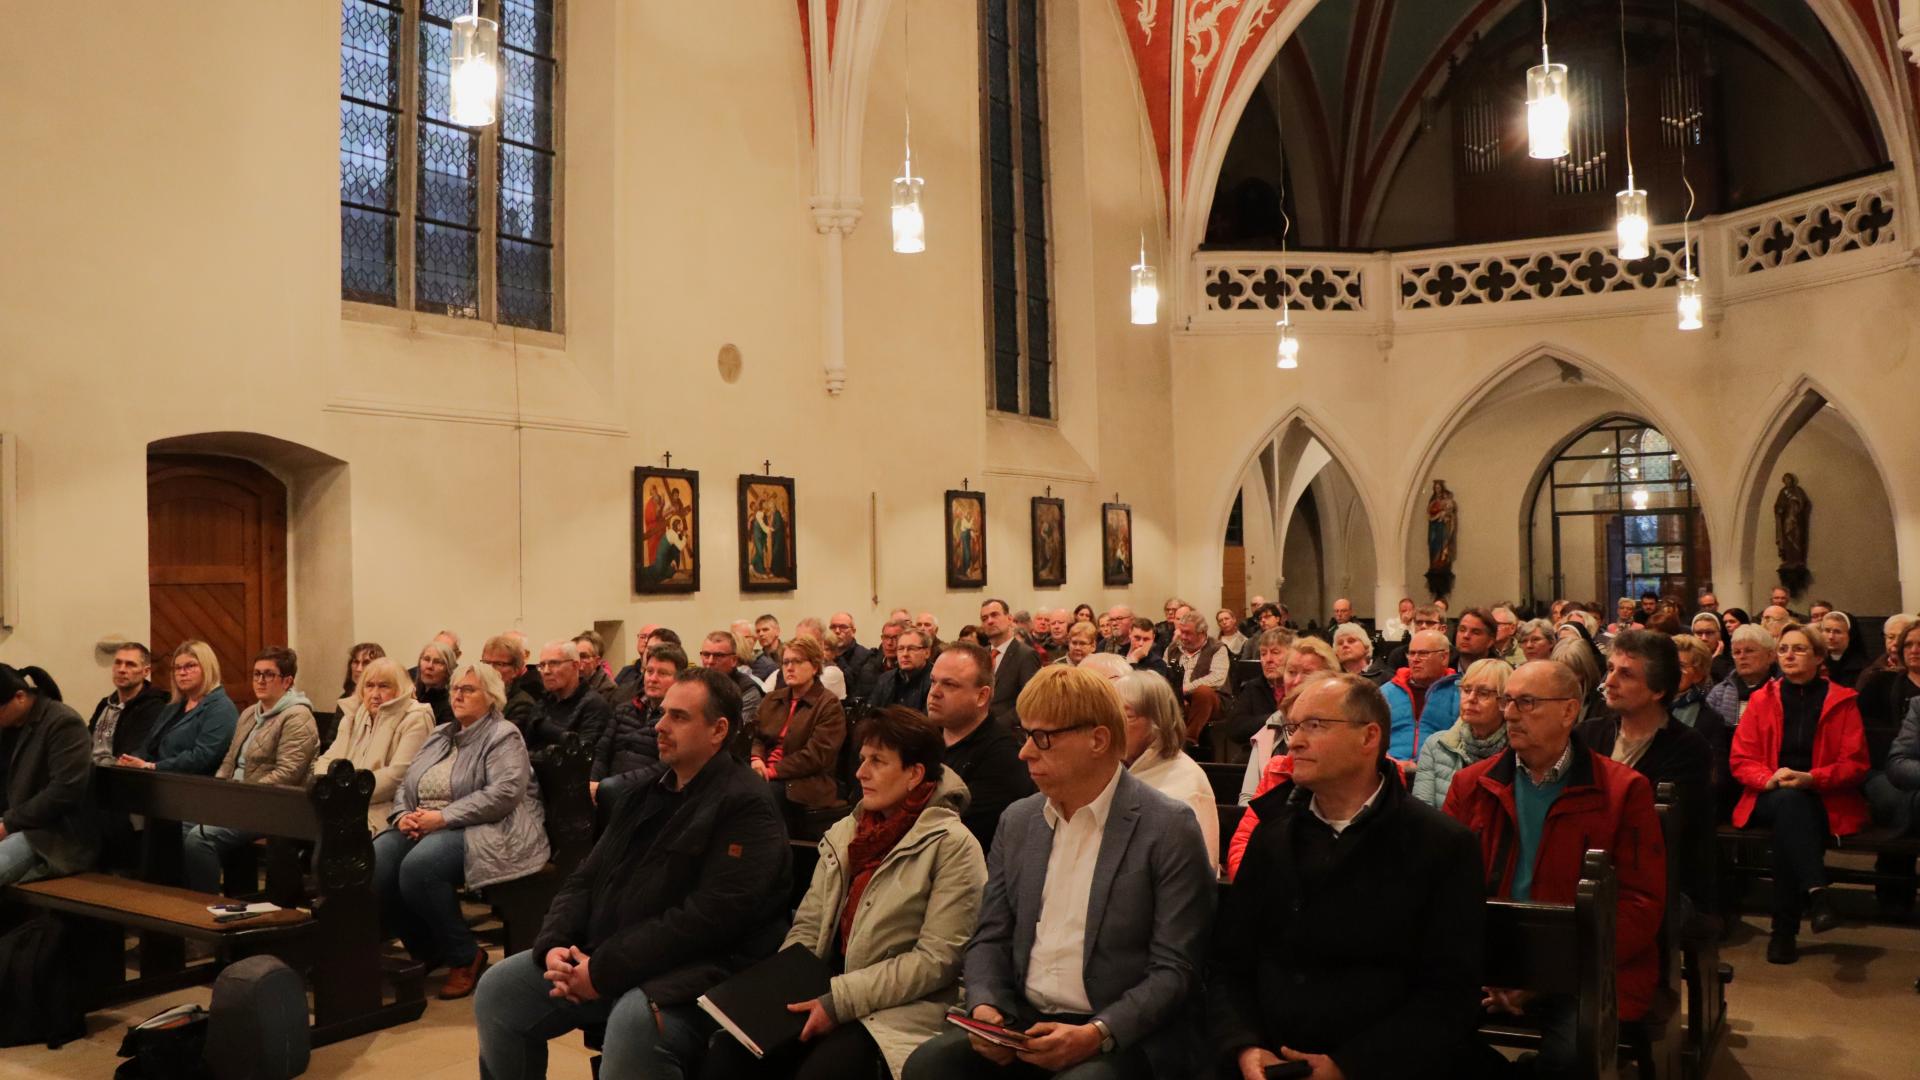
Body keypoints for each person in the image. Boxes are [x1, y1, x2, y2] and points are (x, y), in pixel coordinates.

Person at [902, 666, 1215, 1080]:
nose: (1025, 753)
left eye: (1042, 738)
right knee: (928, 1066)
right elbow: (990, 934)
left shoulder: (1167, 826)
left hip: (1120, 1031)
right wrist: (985, 1006)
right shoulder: (1019, 820)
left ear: (1098, 740)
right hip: (1023, 1021)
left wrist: (1096, 1033)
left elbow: (1176, 967)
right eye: (1024, 735)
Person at [476, 669, 790, 1080]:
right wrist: (554, 944)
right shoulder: (644, 793)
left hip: (701, 972)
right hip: (611, 955)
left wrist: (603, 970)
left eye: (678, 717)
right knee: (500, 991)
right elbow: (585, 879)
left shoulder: (746, 806)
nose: (659, 726)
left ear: (718, 730)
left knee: (634, 1022)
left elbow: (709, 921)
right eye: (662, 714)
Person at [1213, 673, 1488, 1080]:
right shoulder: (1273, 837)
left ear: (1369, 738)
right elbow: (1230, 965)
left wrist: (1351, 1066)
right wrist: (1246, 1047)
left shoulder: (1439, 845)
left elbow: (1449, 993)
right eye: (1293, 728)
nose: (1296, 741)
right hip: (1269, 1061)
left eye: (1316, 726)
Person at [703, 708, 988, 1080]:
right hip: (826, 990)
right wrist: (775, 993)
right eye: (862, 759)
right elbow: (808, 925)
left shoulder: (953, 846)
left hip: (898, 1009)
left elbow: (937, 960)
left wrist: (839, 1000)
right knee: (729, 1051)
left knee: (825, 1070)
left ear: (915, 774)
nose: (860, 772)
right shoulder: (845, 832)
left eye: (877, 762)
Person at [1442, 660, 1666, 1071]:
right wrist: (1487, 966)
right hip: (1489, 963)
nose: (1509, 713)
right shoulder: (1471, 785)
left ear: (1568, 711)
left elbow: (1641, 905)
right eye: (1508, 701)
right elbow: (1443, 891)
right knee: (1412, 1034)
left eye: (1526, 702)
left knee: (1571, 1057)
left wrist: (1547, 975)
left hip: (1589, 968)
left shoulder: (1622, 791)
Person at [378, 660, 549, 998]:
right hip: (426, 824)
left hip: (490, 826)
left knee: (419, 868)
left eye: (467, 689)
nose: (457, 695)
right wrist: (402, 815)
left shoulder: (503, 735)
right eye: (455, 688)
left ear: (491, 696)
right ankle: (427, 948)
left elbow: (504, 793)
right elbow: (406, 782)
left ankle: (465, 955)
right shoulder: (442, 734)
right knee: (377, 863)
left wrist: (442, 818)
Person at [1729, 623, 1871, 964]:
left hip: (1824, 795)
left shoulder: (1842, 701)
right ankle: (1817, 893)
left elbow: (1855, 764)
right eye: (1783, 650)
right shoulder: (1762, 700)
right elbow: (1740, 759)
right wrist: (1771, 777)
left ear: (1819, 657)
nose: (1788, 655)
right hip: (1769, 792)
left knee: (1790, 829)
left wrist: (1812, 778)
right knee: (1790, 806)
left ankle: (1784, 932)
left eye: (1799, 649)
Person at [1582, 630, 1718, 926]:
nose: (1609, 683)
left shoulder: (1687, 747)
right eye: (1610, 670)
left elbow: (1658, 831)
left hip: (1660, 880)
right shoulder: (1589, 734)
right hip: (1593, 867)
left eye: (1626, 675)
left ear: (1658, 690)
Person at [181, 647, 322, 893]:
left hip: (272, 806)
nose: (260, 680)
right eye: (256, 674)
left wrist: (242, 796)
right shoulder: (249, 713)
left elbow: (288, 773)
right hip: (238, 799)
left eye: (268, 674)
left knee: (200, 838)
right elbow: (229, 761)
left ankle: (205, 907)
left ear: (287, 681)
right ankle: (221, 896)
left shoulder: (298, 717)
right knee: (180, 823)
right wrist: (217, 792)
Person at [924, 643, 1035, 853]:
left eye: (949, 684)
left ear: (982, 696)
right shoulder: (922, 740)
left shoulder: (1004, 758)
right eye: (933, 682)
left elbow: (955, 835)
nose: (934, 693)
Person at [312, 656, 434, 837]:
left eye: (384, 686)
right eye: (369, 686)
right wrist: (326, 787)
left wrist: (348, 793)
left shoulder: (416, 717)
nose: (375, 694)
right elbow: (328, 759)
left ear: (400, 689)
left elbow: (398, 775)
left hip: (387, 809)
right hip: (340, 802)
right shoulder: (353, 715)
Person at [0, 664, 98, 886]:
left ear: (20, 697)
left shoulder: (63, 722)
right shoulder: (8, 725)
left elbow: (64, 792)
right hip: (14, 822)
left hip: (52, 837)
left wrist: (8, 823)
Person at [1115, 672, 1218, 866]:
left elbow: (1195, 875)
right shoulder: (1112, 770)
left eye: (1127, 716)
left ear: (1157, 722)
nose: (1114, 727)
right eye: (1112, 715)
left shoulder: (1187, 779)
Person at [751, 634, 848, 836]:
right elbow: (756, 736)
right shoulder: (772, 699)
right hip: (764, 773)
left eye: (797, 661)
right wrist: (757, 759)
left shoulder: (828, 704)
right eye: (786, 662)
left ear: (814, 667)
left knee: (763, 795)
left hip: (807, 781)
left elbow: (816, 756)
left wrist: (771, 771)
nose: (789, 667)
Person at [1240, 638, 1339, 804]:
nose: (1296, 681)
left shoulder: (1343, 725)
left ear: (1330, 678)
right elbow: (1248, 798)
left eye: (1308, 673)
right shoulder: (1271, 729)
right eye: (1291, 672)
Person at [119, 640, 240, 776]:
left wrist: (152, 766)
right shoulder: (174, 706)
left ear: (207, 668)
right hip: (157, 780)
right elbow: (148, 744)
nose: (182, 673)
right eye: (177, 668)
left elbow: (203, 757)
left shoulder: (221, 708)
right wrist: (131, 761)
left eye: (190, 666)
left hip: (192, 785)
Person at [1412, 658, 1510, 810]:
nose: (1470, 699)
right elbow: (1422, 814)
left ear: (1504, 701)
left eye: (1483, 693)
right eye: (1466, 689)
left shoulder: (1518, 753)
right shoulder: (1435, 745)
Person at [594, 644, 686, 787]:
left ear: (679, 679)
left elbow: (666, 767)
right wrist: (593, 782)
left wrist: (610, 786)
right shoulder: (623, 710)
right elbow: (601, 754)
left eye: (662, 673)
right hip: (607, 792)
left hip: (648, 794)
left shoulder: (680, 720)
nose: (653, 679)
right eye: (649, 671)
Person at [1382, 630, 1459, 763]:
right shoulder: (1386, 692)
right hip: (1391, 769)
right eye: (1411, 653)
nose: (1415, 659)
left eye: (1423, 653)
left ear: (1444, 657)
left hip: (1440, 770)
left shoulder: (1460, 692)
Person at [87, 641, 168, 765]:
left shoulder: (154, 707)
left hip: (121, 776)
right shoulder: (105, 704)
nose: (121, 669)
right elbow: (86, 742)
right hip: (90, 773)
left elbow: (132, 755)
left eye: (130, 664)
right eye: (118, 663)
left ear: (146, 671)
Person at [531, 639, 613, 756]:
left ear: (575, 666)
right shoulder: (543, 701)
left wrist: (546, 729)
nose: (546, 671)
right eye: (542, 665)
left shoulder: (595, 705)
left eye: (554, 663)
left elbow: (582, 755)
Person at [1161, 610, 1228, 739]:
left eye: (1188, 633)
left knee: (1203, 692)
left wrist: (1184, 690)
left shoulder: (1217, 648)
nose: (1183, 637)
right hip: (1178, 699)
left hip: (1211, 701)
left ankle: (1189, 740)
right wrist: (1177, 695)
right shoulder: (1172, 649)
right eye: (1181, 632)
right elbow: (1164, 675)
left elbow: (1217, 678)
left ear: (1201, 633)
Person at [980, 599, 1042, 726]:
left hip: (1009, 732)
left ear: (1009, 619)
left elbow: (1030, 702)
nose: (989, 621)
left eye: (995, 615)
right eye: (984, 618)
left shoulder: (1026, 655)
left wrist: (995, 726)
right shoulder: (981, 655)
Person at [481, 634, 542, 736]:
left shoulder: (522, 704)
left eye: (499, 664)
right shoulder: (475, 696)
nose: (490, 669)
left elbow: (501, 740)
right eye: (486, 663)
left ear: (515, 670)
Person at [696, 630, 763, 721]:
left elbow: (739, 730)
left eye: (718, 656)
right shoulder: (695, 683)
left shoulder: (747, 690)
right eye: (706, 655)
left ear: (734, 660)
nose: (710, 661)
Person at [872, 626, 935, 711]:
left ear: (927, 653)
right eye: (900, 649)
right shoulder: (885, 679)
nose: (905, 654)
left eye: (912, 649)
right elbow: (872, 715)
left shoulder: (935, 683)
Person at [1668, 634, 1715, 730]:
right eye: (1669, 662)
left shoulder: (1709, 719)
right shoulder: (1646, 703)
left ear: (1698, 675)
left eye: (1681, 666)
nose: (1672, 669)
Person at [1818, 611, 1869, 689]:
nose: (1831, 637)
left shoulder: (1863, 668)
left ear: (1850, 635)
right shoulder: (1816, 662)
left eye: (1837, 632)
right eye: (1827, 631)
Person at [573, 632, 621, 709]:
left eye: (583, 656)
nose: (577, 661)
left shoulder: (609, 690)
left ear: (597, 661)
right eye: (574, 656)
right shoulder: (566, 686)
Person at [414, 640, 457, 727]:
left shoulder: (450, 705)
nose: (430, 666)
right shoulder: (411, 693)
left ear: (448, 670)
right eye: (426, 659)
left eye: (437, 662)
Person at [1690, 611, 1733, 683]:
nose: (1704, 638)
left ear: (1720, 635)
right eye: (1699, 633)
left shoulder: (1733, 661)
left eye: (1709, 632)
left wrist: (1717, 661)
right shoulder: (1685, 662)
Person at [751, 615, 784, 680]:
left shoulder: (787, 653)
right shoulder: (756, 658)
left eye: (765, 630)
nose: (761, 634)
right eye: (758, 631)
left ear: (777, 631)